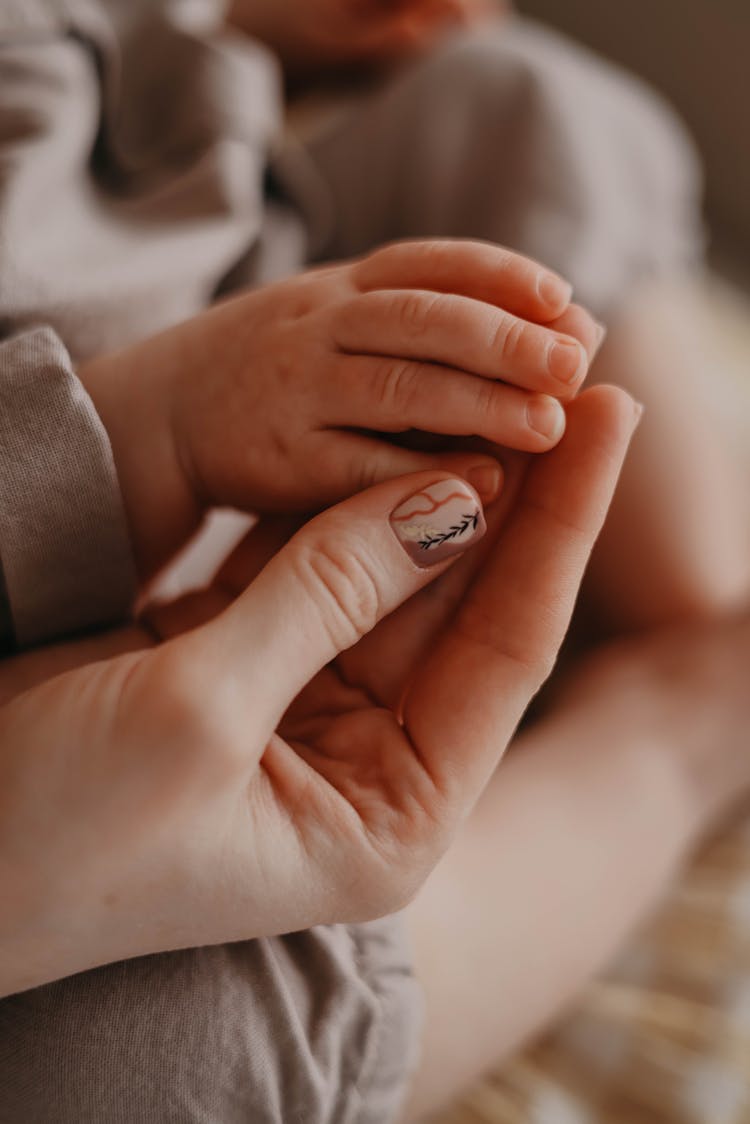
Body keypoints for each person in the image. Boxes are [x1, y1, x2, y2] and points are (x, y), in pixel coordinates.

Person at [0, 1, 748, 1121]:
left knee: (526, 112)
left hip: (204, 263)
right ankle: (687, 725)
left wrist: (290, 28)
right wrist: (144, 429)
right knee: (165, 1048)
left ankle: (684, 608)